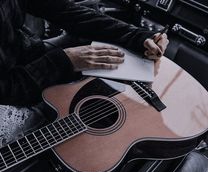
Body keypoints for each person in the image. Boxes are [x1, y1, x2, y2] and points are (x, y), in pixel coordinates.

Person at [0, 0, 169, 147]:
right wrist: (64, 61)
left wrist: (137, 36)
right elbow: (6, 90)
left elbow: (65, 11)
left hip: (28, 54)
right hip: (14, 89)